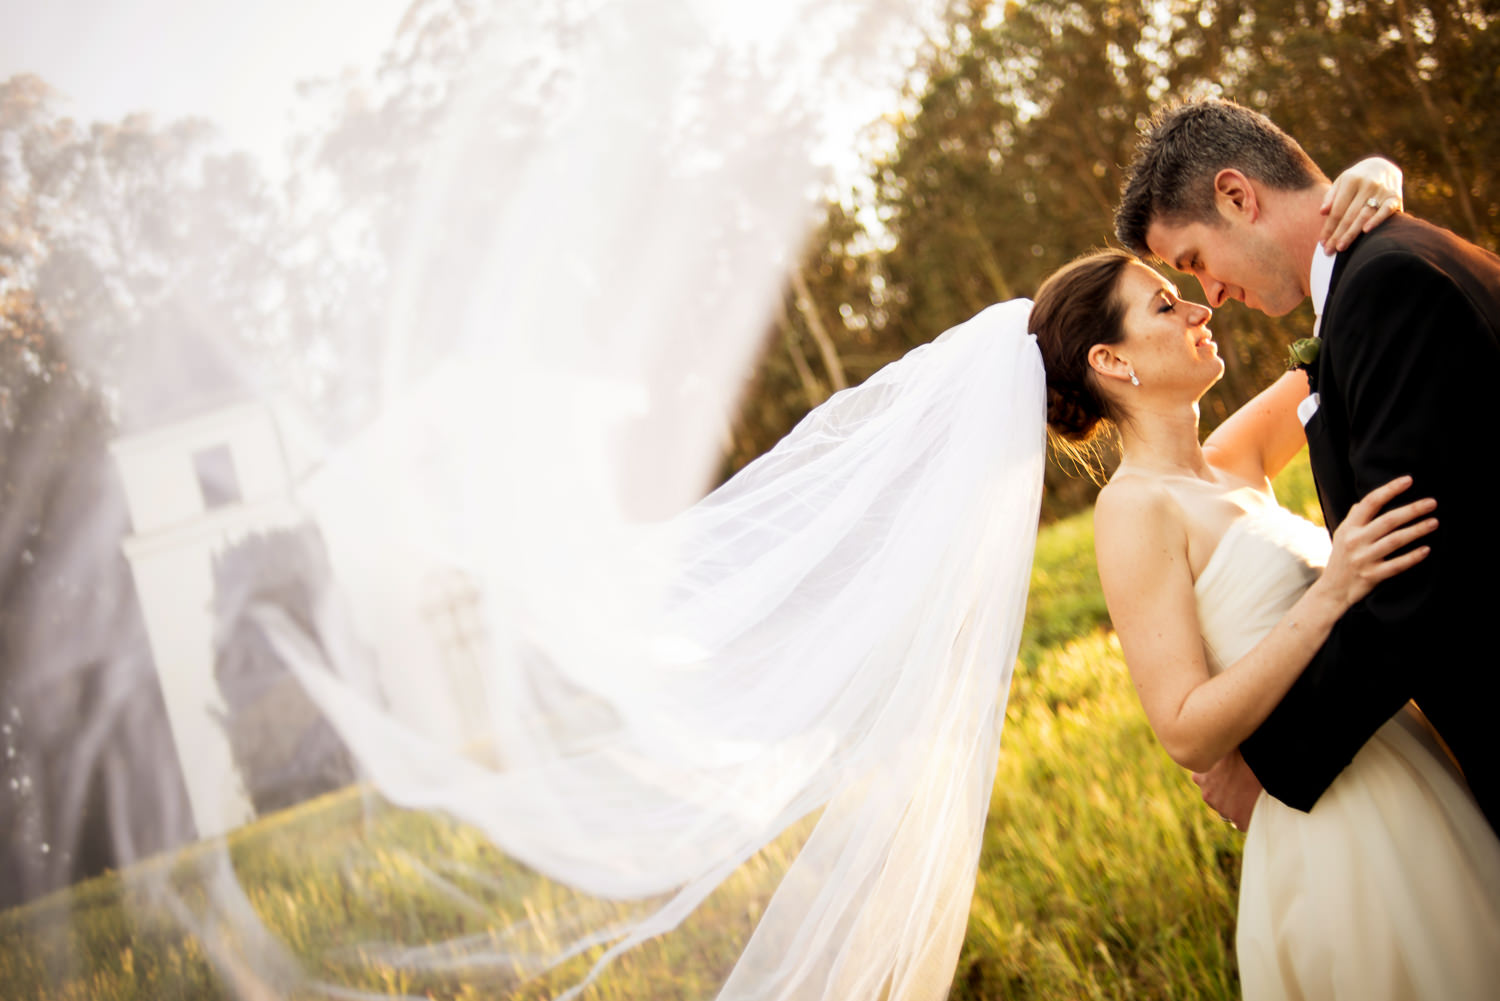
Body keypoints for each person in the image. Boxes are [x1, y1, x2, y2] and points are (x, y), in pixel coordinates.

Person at [1030, 247, 1500, 999]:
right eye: (1164, 304)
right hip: (1343, 828)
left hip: (1409, 762)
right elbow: (1184, 727)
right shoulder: (1134, 508)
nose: (1198, 308)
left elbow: (1346, 329)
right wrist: (1330, 592)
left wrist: (1374, 186)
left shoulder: (1233, 458)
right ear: (1112, 361)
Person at [1113, 98, 1500, 838]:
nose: (1211, 298)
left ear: (1237, 196)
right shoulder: (1376, 281)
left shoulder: (1385, 289)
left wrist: (1268, 764)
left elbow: (1414, 577)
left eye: (1194, 263)